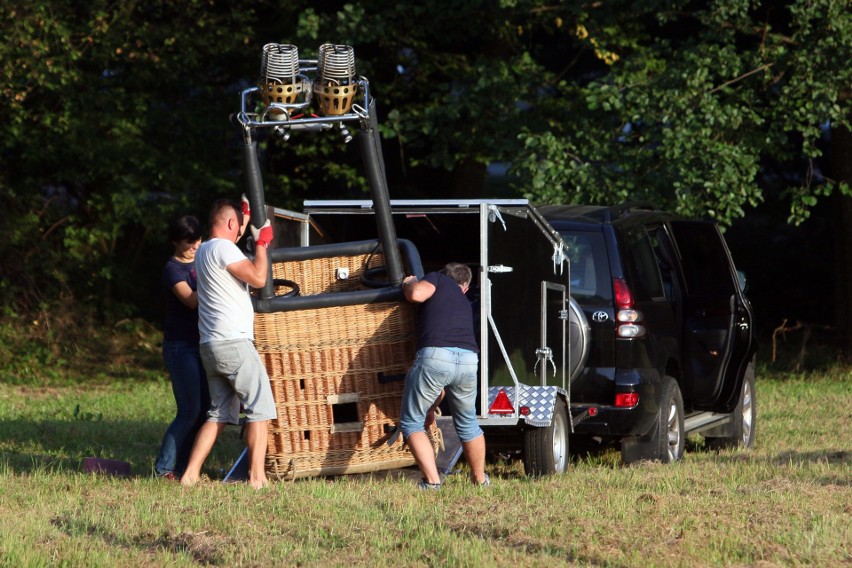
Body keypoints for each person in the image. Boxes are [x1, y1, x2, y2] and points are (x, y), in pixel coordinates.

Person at [180, 197, 276, 489]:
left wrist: (245, 218)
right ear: (230, 224)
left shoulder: (205, 251)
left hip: (210, 346)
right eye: (239, 227)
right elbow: (259, 278)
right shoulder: (223, 248)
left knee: (219, 413)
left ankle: (190, 474)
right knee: (260, 408)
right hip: (234, 343)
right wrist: (263, 243)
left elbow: (234, 232)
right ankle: (257, 478)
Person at [399, 262, 489, 489]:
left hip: (436, 355)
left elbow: (417, 294)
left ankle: (432, 483)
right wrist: (432, 405)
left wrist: (409, 283)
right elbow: (448, 374)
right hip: (468, 360)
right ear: (466, 287)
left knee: (411, 422)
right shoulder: (464, 302)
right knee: (468, 423)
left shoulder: (438, 280)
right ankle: (480, 480)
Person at [154, 215, 209, 480]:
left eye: (198, 239)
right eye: (189, 241)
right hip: (180, 347)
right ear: (175, 241)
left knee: (205, 411)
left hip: (204, 345)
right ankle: (164, 468)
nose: (195, 245)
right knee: (189, 411)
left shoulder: (202, 259)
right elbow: (191, 301)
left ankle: (187, 468)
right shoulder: (172, 269)